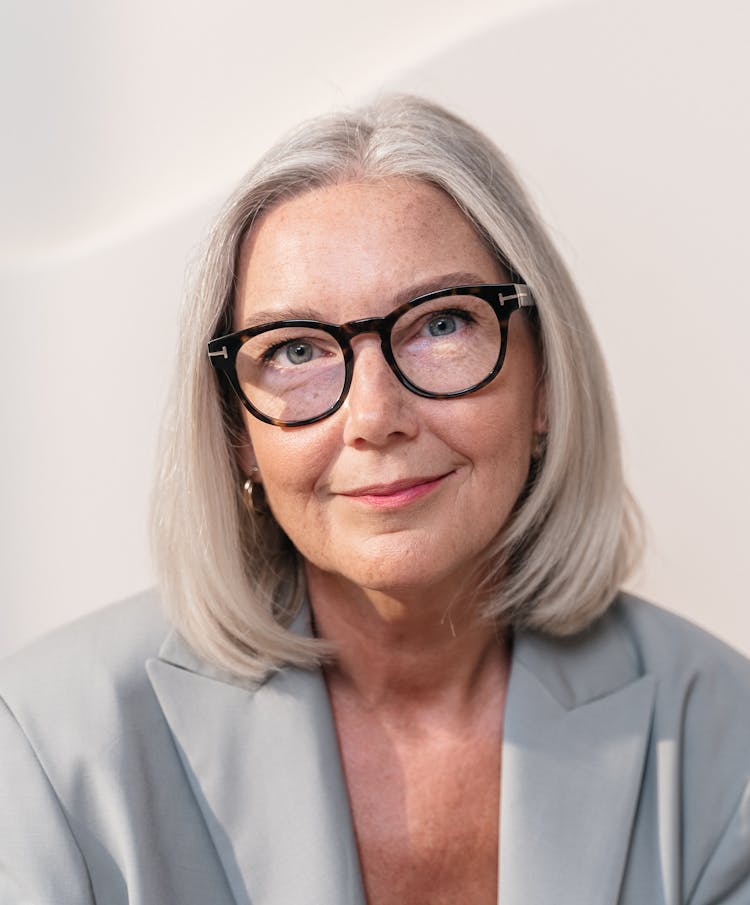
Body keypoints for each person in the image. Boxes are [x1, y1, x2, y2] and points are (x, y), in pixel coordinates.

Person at [1, 95, 748, 905]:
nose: (375, 418)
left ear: (545, 385)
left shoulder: (722, 738)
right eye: (296, 349)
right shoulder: (47, 745)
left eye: (442, 324)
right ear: (239, 434)